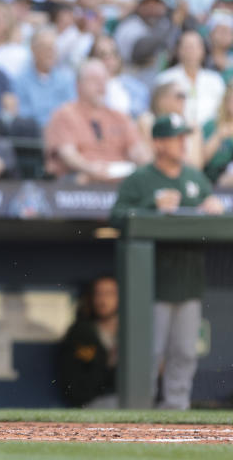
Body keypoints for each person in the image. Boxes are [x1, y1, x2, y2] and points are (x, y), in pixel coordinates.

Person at [110, 113, 225, 410]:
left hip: (189, 280)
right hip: (150, 283)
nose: (183, 143)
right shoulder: (140, 180)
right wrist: (152, 205)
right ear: (159, 143)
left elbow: (210, 215)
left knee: (185, 352)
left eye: (184, 137)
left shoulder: (195, 179)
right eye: (176, 138)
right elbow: (116, 218)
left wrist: (213, 206)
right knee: (149, 352)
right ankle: (140, 408)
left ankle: (177, 408)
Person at [44, 59, 151, 183]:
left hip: (118, 176)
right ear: (78, 84)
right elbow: (68, 154)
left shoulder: (119, 116)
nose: (101, 85)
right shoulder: (64, 114)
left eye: (104, 80)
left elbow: (136, 150)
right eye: (94, 80)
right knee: (82, 179)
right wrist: (91, 169)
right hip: (79, 177)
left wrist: (148, 165)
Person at [57, 275, 119, 408]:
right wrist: (107, 362)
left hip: (130, 399)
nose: (103, 300)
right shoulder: (80, 332)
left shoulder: (134, 330)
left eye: (110, 293)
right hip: (94, 402)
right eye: (98, 294)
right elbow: (76, 384)